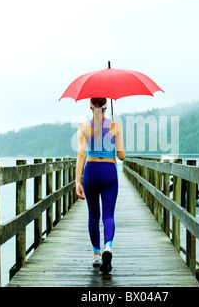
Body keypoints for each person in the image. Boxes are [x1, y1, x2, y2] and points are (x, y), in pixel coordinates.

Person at [75, 97, 125, 274]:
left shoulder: (83, 128)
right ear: (105, 108)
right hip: (109, 171)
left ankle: (96, 254)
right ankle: (108, 247)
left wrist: (77, 181)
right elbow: (121, 156)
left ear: (90, 107)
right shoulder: (115, 126)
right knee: (108, 214)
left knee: (93, 214)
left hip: (91, 171)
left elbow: (81, 154)